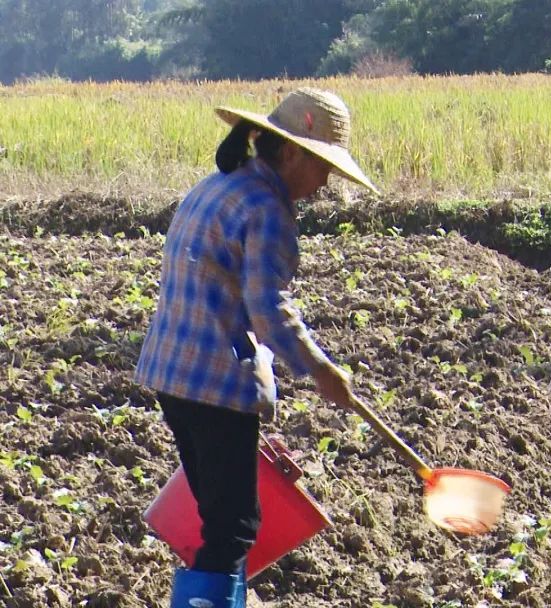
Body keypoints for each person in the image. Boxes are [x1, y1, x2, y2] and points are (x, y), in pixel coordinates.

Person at [135, 88, 379, 608]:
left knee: (221, 517)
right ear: (290, 152)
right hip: (215, 381)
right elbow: (268, 308)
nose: (324, 184)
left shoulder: (218, 186)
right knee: (234, 526)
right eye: (322, 168)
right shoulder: (268, 210)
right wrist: (320, 368)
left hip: (171, 373)